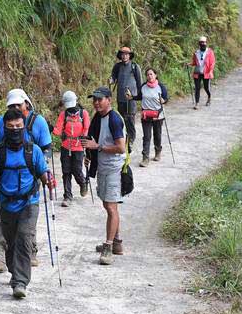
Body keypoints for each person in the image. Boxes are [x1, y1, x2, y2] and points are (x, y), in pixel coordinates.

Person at [0, 89, 52, 272]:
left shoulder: (38, 122)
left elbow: (47, 148)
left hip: (30, 176)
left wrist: (43, 172)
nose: (15, 108)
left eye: (18, 105)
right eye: (11, 106)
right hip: (4, 180)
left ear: (26, 103)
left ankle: (29, 251)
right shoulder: (1, 122)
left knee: (26, 221)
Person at [0, 108, 55, 298]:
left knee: (24, 238)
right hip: (7, 204)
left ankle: (20, 282)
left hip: (29, 202)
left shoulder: (34, 150)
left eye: (18, 126)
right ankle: (15, 274)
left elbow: (43, 171)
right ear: (5, 128)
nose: (15, 130)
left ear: (24, 127)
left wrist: (48, 180)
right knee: (11, 242)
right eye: (11, 127)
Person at [81, 87, 126, 265]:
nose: (96, 102)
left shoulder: (114, 119)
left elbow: (121, 147)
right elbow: (93, 139)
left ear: (109, 100)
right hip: (103, 166)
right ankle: (117, 243)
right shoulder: (99, 118)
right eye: (94, 100)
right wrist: (90, 155)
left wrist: (97, 147)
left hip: (113, 168)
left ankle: (108, 247)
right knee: (109, 206)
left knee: (110, 207)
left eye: (100, 99)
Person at [52, 90, 90, 206]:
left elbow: (86, 128)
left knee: (76, 170)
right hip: (65, 147)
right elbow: (58, 130)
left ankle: (83, 183)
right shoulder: (63, 115)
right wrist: (51, 129)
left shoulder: (83, 114)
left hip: (78, 147)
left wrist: (85, 140)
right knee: (66, 171)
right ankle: (67, 196)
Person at [126, 68, 169, 167]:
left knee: (157, 135)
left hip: (158, 115)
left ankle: (158, 151)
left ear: (155, 75)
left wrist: (163, 100)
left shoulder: (160, 87)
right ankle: (145, 158)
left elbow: (166, 99)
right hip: (146, 114)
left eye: (151, 74)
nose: (149, 76)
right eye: (148, 75)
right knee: (146, 136)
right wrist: (131, 97)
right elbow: (140, 97)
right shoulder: (143, 87)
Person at [110, 46, 142, 148]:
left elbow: (139, 82)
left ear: (129, 55)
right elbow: (113, 78)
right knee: (122, 118)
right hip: (120, 97)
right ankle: (123, 137)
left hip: (131, 98)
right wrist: (111, 80)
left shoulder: (134, 66)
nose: (124, 56)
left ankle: (131, 139)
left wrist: (139, 95)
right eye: (123, 54)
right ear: (120, 55)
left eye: (126, 54)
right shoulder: (117, 66)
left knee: (130, 118)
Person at [187, 36, 215, 110]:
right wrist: (190, 64)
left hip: (206, 73)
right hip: (197, 72)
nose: (203, 44)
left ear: (206, 43)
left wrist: (211, 71)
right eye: (201, 42)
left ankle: (209, 97)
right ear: (199, 43)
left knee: (206, 88)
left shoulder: (210, 52)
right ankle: (197, 103)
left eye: (204, 42)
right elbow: (194, 62)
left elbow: (212, 63)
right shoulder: (196, 52)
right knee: (197, 88)